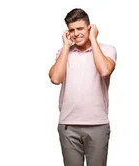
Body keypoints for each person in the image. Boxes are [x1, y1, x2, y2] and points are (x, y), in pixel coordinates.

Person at [48, 8, 117, 166]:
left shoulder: (107, 50)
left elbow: (105, 70)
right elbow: (55, 78)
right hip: (68, 125)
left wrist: (93, 40)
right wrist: (66, 46)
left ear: (89, 28)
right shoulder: (63, 52)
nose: (76, 33)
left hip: (97, 124)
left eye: (80, 28)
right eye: (72, 30)